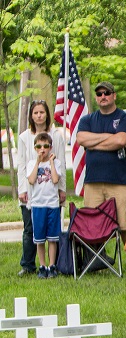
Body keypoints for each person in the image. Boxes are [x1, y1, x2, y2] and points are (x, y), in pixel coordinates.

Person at [76, 82, 126, 271]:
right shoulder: (87, 120)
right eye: (99, 94)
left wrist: (94, 142)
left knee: (124, 222)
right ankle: (97, 259)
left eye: (106, 93)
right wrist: (109, 137)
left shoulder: (125, 118)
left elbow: (121, 141)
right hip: (93, 181)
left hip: (119, 180)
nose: (103, 96)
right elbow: (81, 139)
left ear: (114, 95)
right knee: (93, 222)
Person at [16, 100, 66, 276]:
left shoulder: (56, 136)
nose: (39, 116)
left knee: (52, 231)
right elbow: (21, 165)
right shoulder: (24, 137)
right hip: (31, 191)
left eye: (42, 112)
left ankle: (54, 265)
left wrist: (62, 189)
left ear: (47, 114)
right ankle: (28, 265)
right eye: (35, 112)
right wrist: (22, 189)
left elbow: (61, 162)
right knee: (31, 228)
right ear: (31, 115)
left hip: (51, 191)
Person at [27, 133, 62, 279]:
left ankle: (52, 265)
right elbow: (31, 180)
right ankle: (42, 266)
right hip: (38, 205)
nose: (43, 149)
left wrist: (51, 162)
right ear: (35, 148)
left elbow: (54, 179)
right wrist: (37, 162)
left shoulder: (56, 163)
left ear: (50, 147)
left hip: (52, 204)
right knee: (39, 239)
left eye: (46, 146)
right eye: (39, 146)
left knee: (52, 238)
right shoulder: (31, 164)